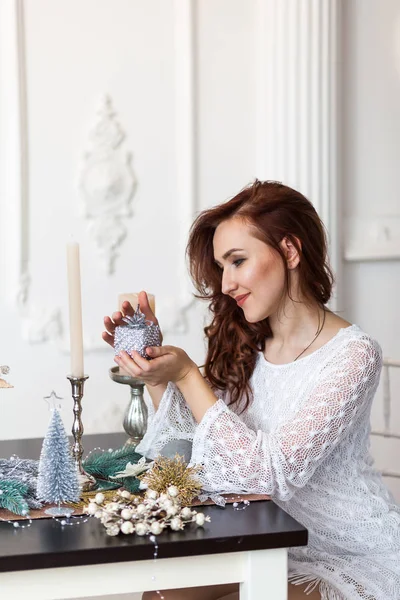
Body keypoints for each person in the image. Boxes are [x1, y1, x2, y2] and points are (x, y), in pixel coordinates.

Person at [103, 181, 400, 600]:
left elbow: (267, 475)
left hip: (352, 551)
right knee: (161, 596)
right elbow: (193, 454)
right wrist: (158, 377)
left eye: (237, 261)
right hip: (264, 541)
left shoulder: (353, 356)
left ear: (290, 252)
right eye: (222, 267)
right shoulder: (246, 343)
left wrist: (189, 376)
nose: (225, 284)